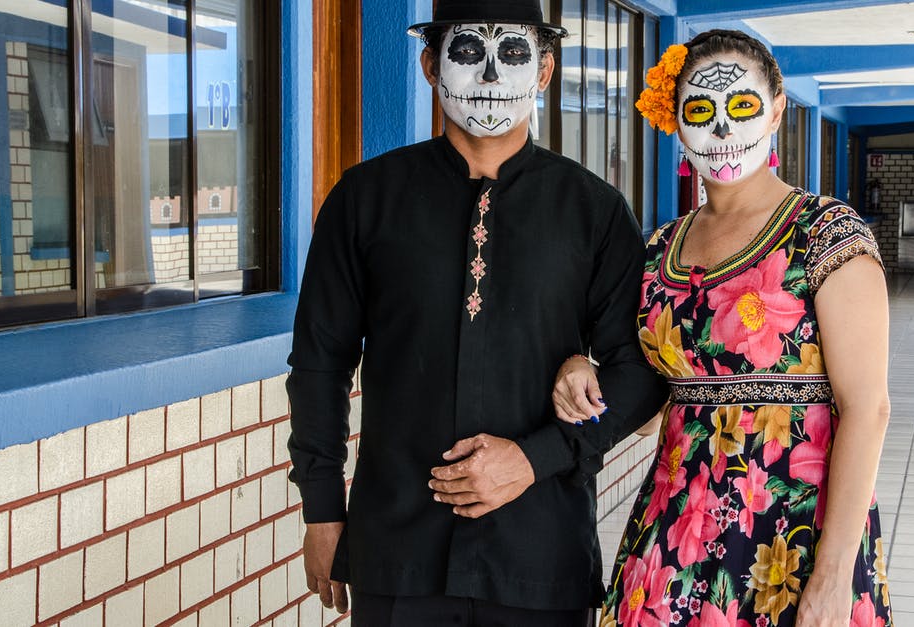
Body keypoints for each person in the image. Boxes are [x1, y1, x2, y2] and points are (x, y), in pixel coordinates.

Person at [285, 0, 667, 624]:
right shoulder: (364, 199)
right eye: (467, 53)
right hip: (398, 553)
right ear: (431, 64)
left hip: (540, 558)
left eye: (513, 55)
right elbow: (319, 364)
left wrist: (534, 458)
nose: (490, 77)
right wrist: (323, 510)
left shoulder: (593, 211)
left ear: (544, 71)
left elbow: (641, 374)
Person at [552, 30, 894, 627]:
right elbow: (645, 377)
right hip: (674, 525)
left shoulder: (826, 234)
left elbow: (867, 407)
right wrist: (581, 369)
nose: (721, 130)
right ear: (675, 122)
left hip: (789, 539)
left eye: (741, 106)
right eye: (700, 110)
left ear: (777, 110)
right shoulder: (661, 247)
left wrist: (835, 572)